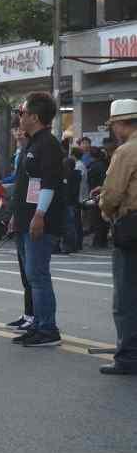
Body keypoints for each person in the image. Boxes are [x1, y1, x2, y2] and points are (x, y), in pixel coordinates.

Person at [10, 92, 66, 348]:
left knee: (38, 275)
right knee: (31, 276)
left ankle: (48, 329)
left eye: (22, 113)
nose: (19, 118)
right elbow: (25, 185)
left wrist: (39, 215)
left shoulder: (49, 144)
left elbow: (48, 183)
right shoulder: (31, 143)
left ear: (34, 116)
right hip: (25, 218)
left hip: (40, 220)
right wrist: (16, 216)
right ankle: (36, 323)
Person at [94, 99, 137, 375]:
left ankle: (129, 356)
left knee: (126, 295)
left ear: (121, 124)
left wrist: (105, 210)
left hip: (131, 224)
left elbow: (112, 194)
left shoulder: (126, 151)